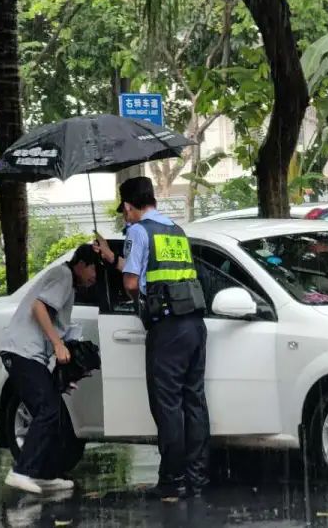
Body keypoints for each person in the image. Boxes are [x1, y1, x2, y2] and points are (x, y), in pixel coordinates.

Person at [97, 176, 209, 500]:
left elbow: (132, 283)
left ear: (128, 206)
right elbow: (153, 270)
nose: (125, 216)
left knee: (168, 406)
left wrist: (139, 301)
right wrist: (111, 258)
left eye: (124, 211)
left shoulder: (137, 231)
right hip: (194, 324)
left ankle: (172, 479)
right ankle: (197, 477)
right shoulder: (176, 230)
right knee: (194, 402)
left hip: (167, 329)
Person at [0, 244, 98, 495]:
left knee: (57, 416)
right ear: (82, 265)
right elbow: (38, 307)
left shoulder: (68, 283)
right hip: (21, 353)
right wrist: (57, 343)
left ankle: (45, 474)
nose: (95, 277)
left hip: (30, 355)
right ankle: (21, 471)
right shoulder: (64, 276)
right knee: (48, 410)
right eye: (94, 270)